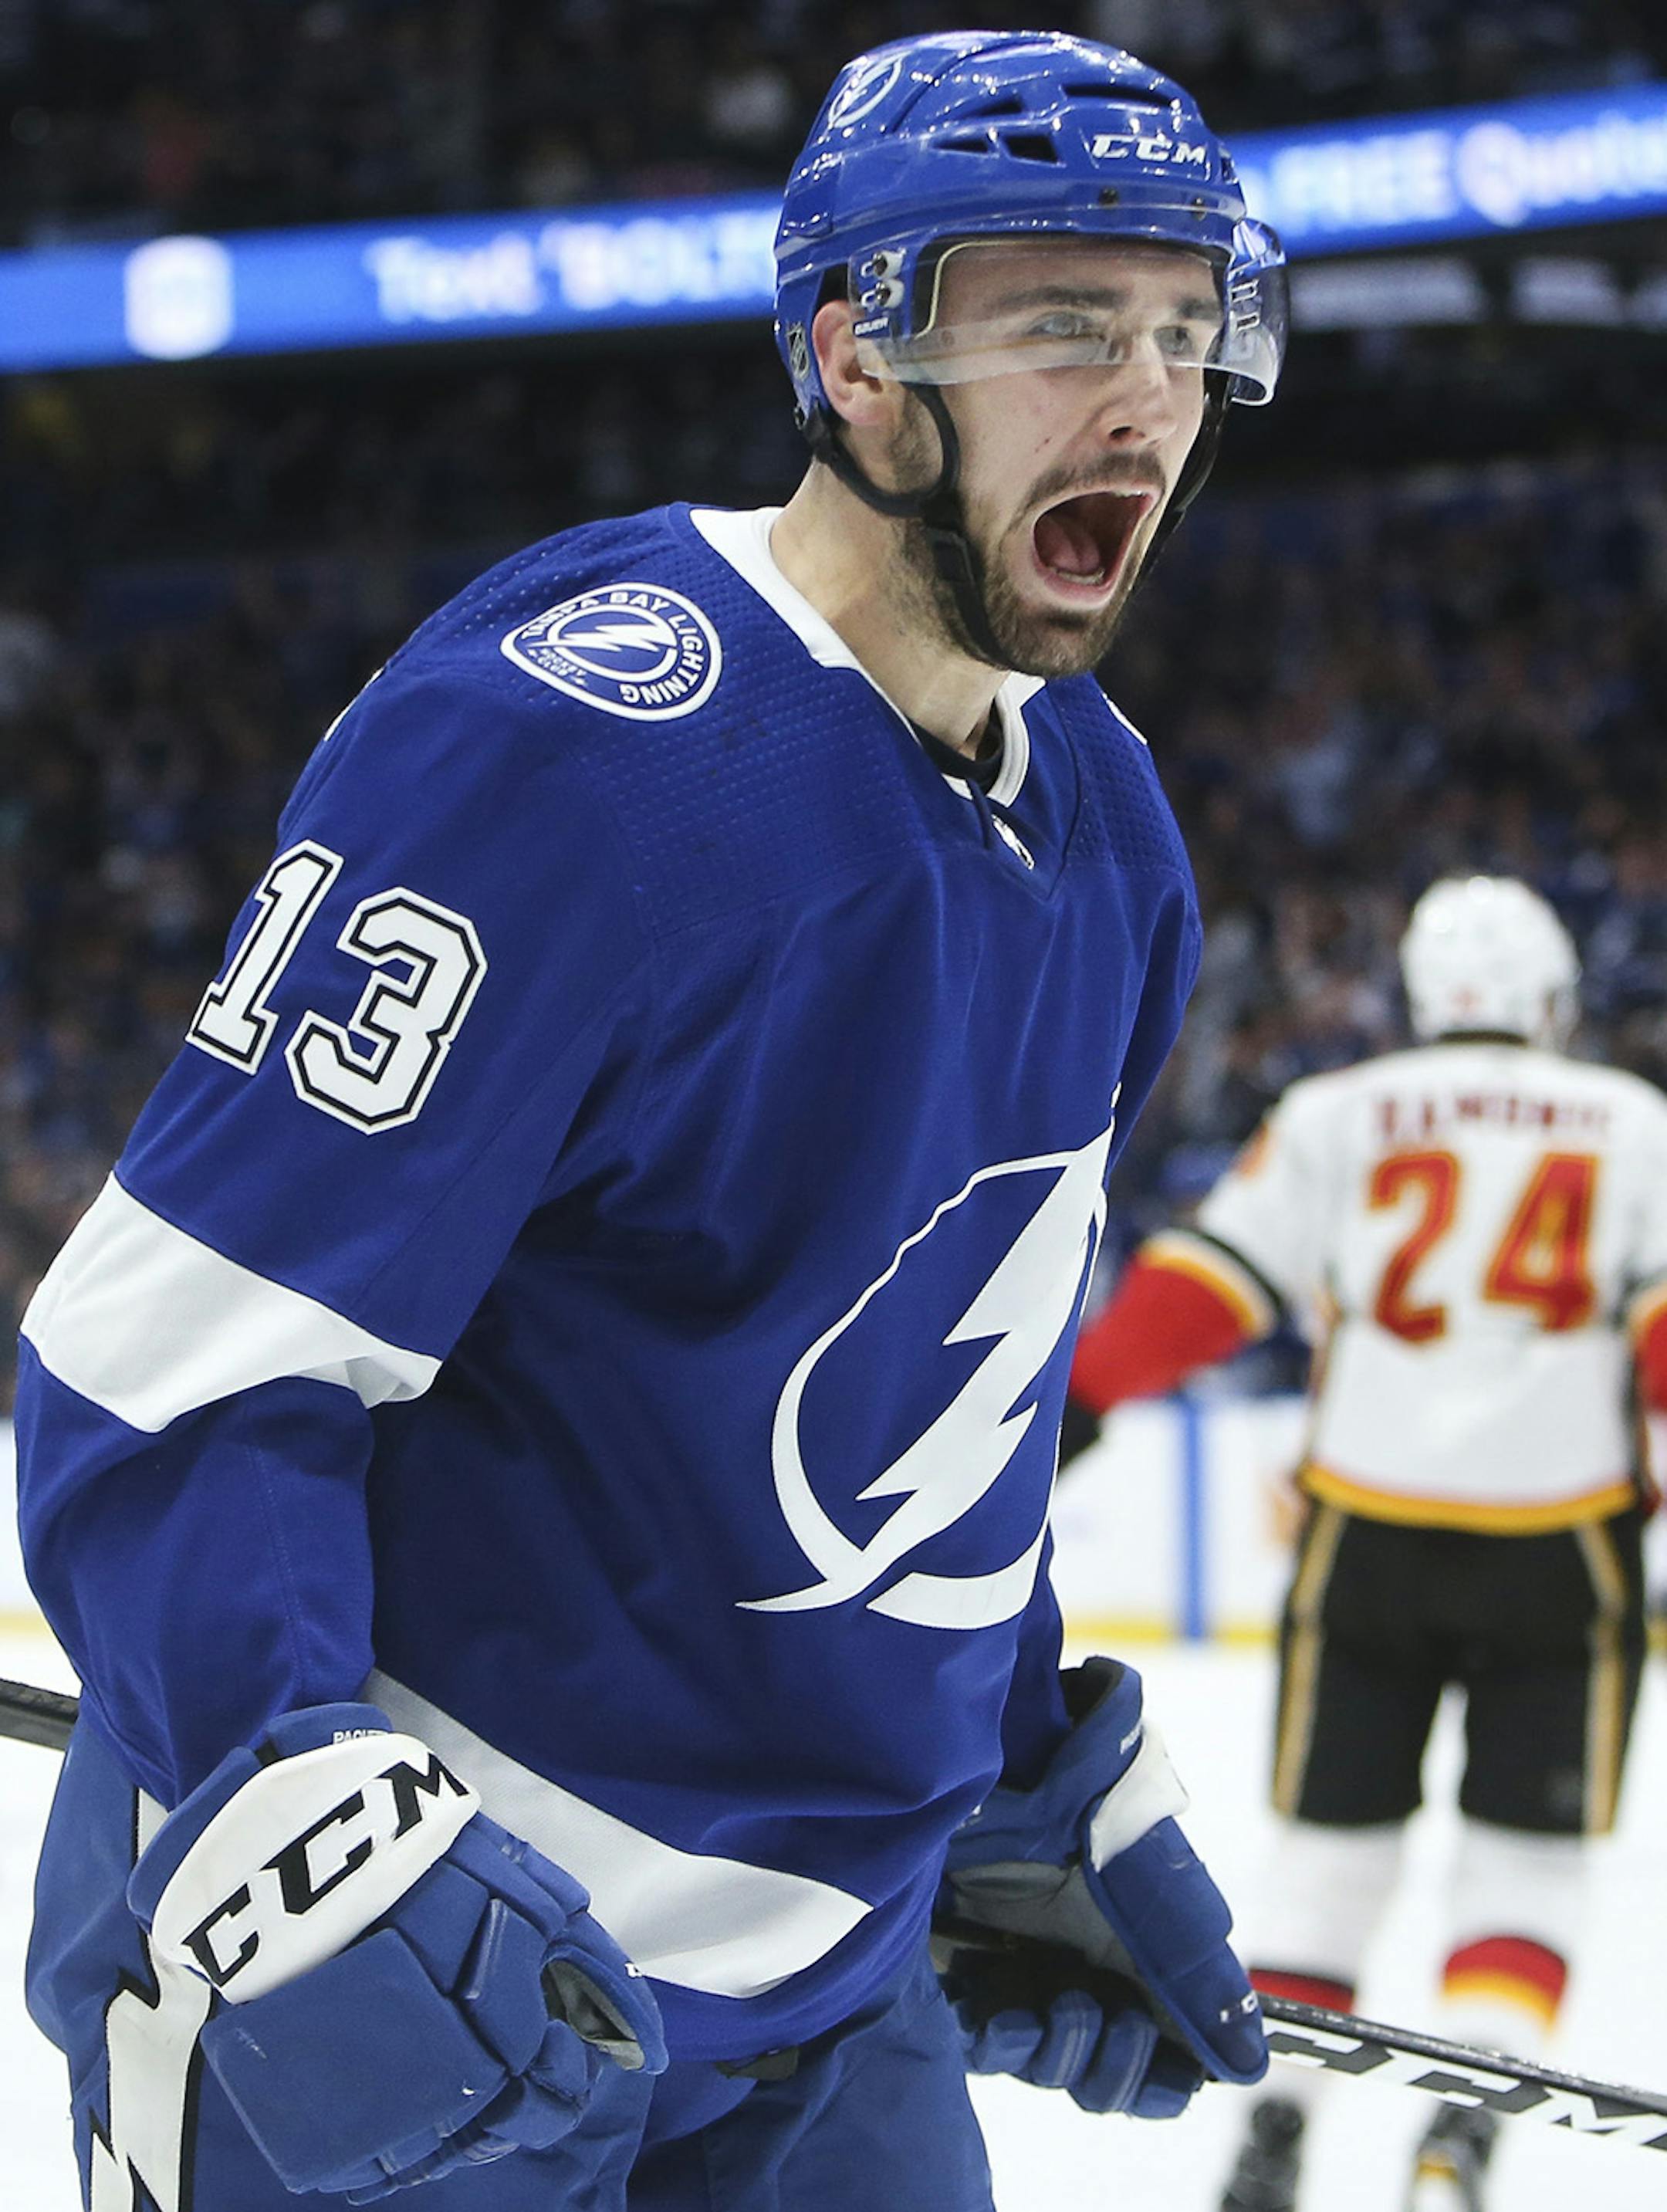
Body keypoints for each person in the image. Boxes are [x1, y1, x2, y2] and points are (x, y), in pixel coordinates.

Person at [15, 31, 1287, 2212]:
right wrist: (286, 1832)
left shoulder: (1110, 827)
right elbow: (168, 1370)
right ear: (856, 355)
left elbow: (927, 1379)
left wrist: (1009, 1760)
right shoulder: (567, 748)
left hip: (828, 2010)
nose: (1146, 398)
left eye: (1184, 329)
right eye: (1059, 321)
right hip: (424, 1991)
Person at [1064, 876, 1662, 2212]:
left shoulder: (1340, 1113)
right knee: (1529, 1859)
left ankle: (1276, 2129)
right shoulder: (1633, 1123)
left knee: (1332, 1851)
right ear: (1552, 1004)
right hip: (1562, 1548)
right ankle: (1464, 2137)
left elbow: (1205, 1288)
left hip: (1365, 1536)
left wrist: (1076, 1411)